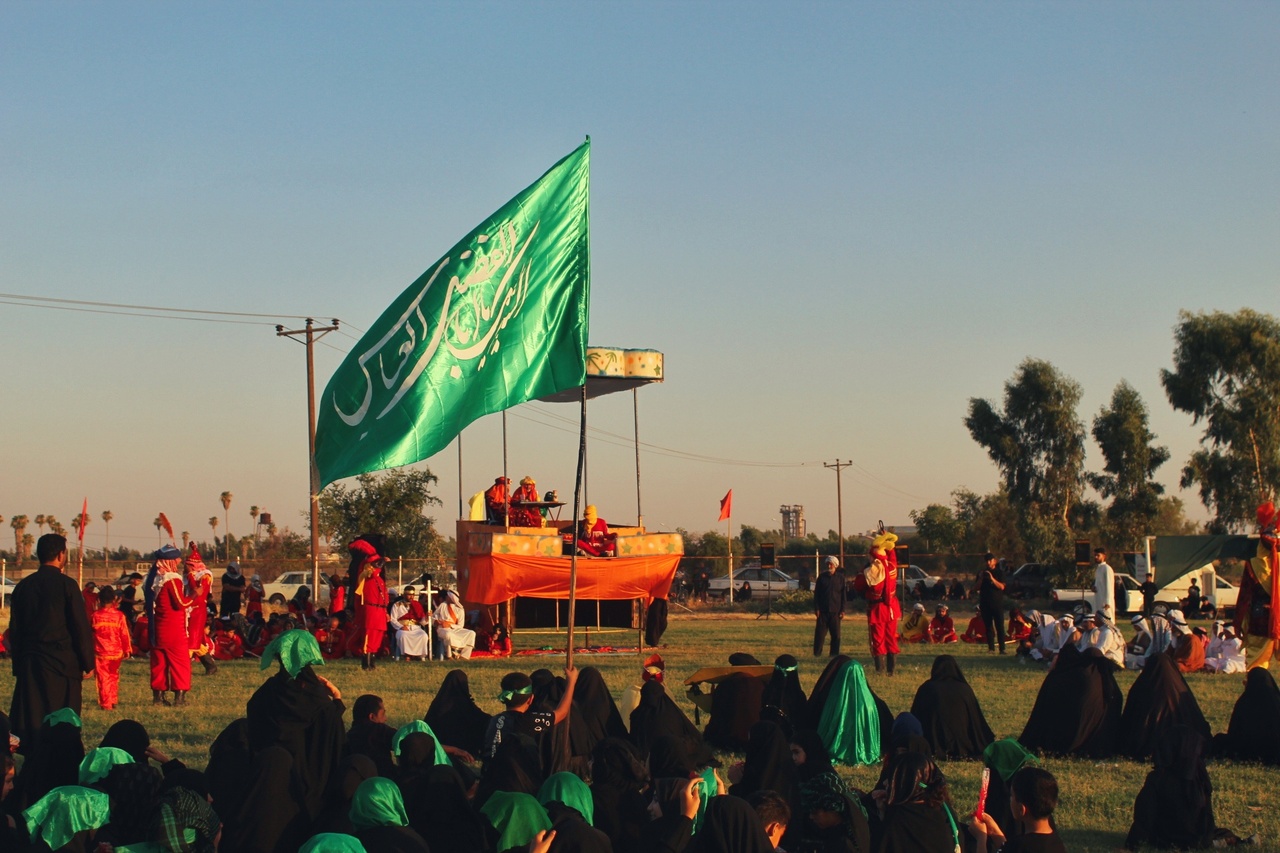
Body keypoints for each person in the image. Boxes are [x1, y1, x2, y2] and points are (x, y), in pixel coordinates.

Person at [7, 533, 95, 746]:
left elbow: (15, 631)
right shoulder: (67, 585)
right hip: (62, 664)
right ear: (61, 554)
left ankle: (33, 761)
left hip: (31, 663)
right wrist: (88, 662)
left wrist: (19, 664)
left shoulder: (23, 586)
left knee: (33, 716)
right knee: (62, 721)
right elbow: (79, 627)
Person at [1125, 725, 1253, 850]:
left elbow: (1145, 817)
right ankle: (1217, 842)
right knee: (1220, 833)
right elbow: (1207, 816)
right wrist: (1206, 837)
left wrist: (1132, 844)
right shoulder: (1199, 776)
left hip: (1166, 838)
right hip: (1198, 837)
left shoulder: (1158, 778)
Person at [483, 666, 580, 765]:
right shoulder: (529, 720)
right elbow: (562, 713)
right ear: (530, 699)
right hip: (514, 777)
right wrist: (571, 682)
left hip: (489, 776)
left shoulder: (494, 720)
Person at [909, 655, 995, 759]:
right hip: (964, 742)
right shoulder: (964, 689)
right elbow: (976, 720)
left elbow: (916, 717)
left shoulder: (927, 688)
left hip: (931, 742)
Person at [969, 766, 1067, 853]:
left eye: (1012, 795)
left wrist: (981, 838)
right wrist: (995, 832)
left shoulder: (1018, 846)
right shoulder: (1057, 843)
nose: (1010, 799)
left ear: (1021, 809)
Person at [147, 544, 194, 706]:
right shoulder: (171, 579)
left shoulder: (154, 579)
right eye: (176, 558)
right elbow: (180, 603)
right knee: (180, 663)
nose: (179, 561)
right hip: (173, 628)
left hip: (157, 628)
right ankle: (179, 698)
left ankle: (158, 698)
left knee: (159, 663)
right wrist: (194, 595)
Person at [856, 531, 901, 675]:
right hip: (892, 607)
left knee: (878, 639)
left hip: (877, 609)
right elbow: (893, 556)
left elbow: (858, 586)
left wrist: (862, 570)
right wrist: (888, 541)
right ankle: (891, 670)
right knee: (891, 637)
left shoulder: (870, 572)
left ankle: (880, 670)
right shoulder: (892, 567)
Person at [91, 586, 132, 711]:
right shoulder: (119, 616)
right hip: (116, 652)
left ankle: (106, 703)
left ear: (99, 599)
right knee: (114, 676)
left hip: (101, 653)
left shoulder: (95, 615)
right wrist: (127, 649)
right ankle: (113, 700)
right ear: (114, 599)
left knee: (103, 678)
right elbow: (124, 633)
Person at [351, 539, 390, 670]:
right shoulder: (365, 575)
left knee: (377, 637)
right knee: (369, 636)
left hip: (380, 610)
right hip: (371, 609)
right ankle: (366, 663)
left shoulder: (379, 579)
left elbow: (384, 597)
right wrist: (382, 560)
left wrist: (386, 612)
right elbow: (371, 571)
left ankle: (372, 662)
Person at [186, 544, 219, 676]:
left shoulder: (205, 576)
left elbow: (198, 592)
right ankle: (210, 665)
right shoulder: (190, 576)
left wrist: (189, 576)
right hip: (189, 610)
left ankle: (184, 667)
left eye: (187, 565)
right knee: (196, 640)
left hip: (197, 611)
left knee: (191, 639)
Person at [813, 556, 846, 658]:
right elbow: (816, 594)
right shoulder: (821, 577)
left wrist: (843, 610)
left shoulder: (840, 578)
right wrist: (817, 608)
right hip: (823, 611)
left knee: (836, 635)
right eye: (828, 564)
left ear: (835, 565)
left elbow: (843, 595)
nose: (829, 566)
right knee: (820, 635)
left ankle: (834, 654)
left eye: (831, 564)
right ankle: (817, 653)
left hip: (835, 611)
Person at [975, 552, 1008, 654]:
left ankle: (1002, 649)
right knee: (988, 627)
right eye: (987, 561)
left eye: (990, 560)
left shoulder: (999, 573)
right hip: (985, 604)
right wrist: (981, 578)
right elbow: (976, 588)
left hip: (997, 604)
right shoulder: (982, 573)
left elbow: (1002, 587)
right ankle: (991, 648)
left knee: (1000, 627)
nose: (988, 563)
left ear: (994, 561)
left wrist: (992, 579)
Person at [432, 589, 476, 660]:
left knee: (471, 633)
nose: (446, 597)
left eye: (448, 596)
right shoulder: (442, 605)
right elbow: (433, 617)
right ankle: (449, 656)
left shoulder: (460, 609)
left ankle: (464, 656)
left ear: (451, 597)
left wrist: (450, 625)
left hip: (455, 629)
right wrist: (436, 622)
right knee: (448, 634)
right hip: (442, 628)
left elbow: (460, 625)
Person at [390, 586, 430, 660]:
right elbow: (393, 619)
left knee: (423, 635)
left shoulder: (417, 605)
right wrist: (401, 627)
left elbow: (422, 622)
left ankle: (419, 655)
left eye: (412, 595)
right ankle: (407, 655)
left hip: (415, 628)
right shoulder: (397, 605)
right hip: (403, 628)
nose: (411, 597)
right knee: (403, 636)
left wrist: (427, 617)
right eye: (409, 594)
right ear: (404, 595)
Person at [1094, 547, 1116, 621]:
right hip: (1099, 599)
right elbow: (1099, 585)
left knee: (1107, 621)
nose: (1096, 557)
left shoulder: (1107, 568)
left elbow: (1109, 586)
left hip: (1105, 602)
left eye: (1098, 555)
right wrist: (1094, 587)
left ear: (1104, 556)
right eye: (1095, 555)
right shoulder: (1098, 569)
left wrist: (1108, 602)